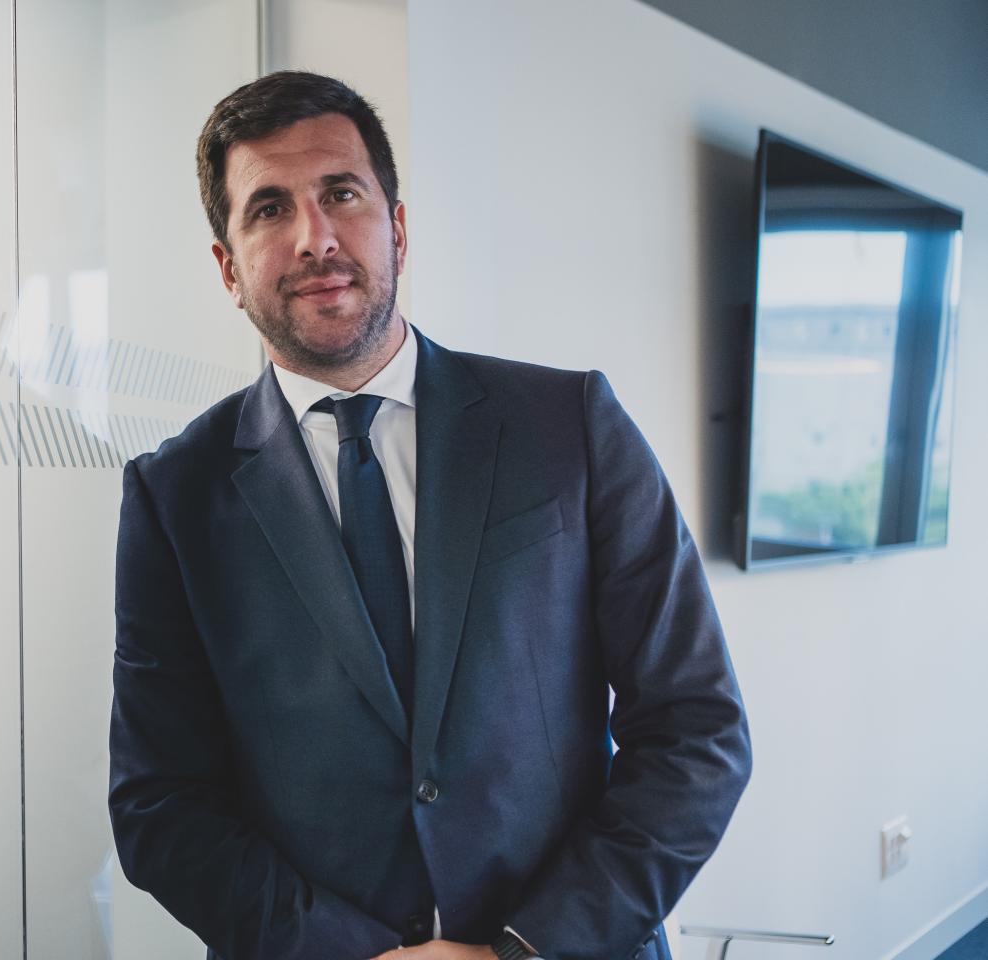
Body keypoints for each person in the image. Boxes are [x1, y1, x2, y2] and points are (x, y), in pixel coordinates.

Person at [107, 71, 751, 960]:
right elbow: (161, 805)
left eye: (341, 193)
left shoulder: (570, 426)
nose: (315, 237)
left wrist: (527, 946)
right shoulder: (174, 496)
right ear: (228, 267)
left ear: (398, 228)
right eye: (269, 209)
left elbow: (696, 729)